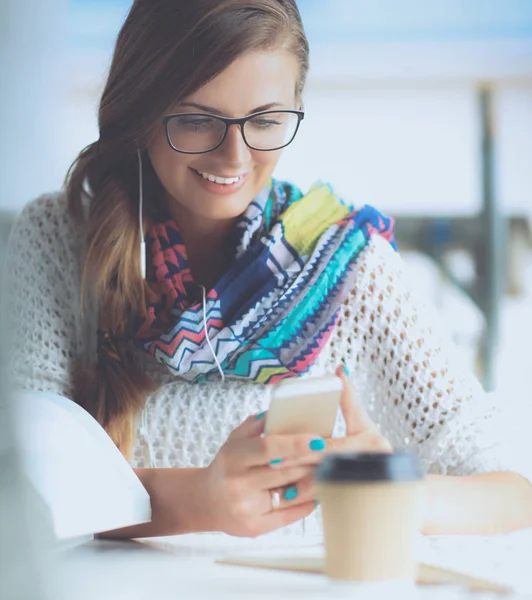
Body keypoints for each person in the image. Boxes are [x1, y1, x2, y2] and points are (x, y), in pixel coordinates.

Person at [4, 0, 532, 540]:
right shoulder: (58, 237)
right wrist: (194, 502)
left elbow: (513, 488)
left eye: (265, 120)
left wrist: (399, 493)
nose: (234, 156)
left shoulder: (349, 267)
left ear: (295, 107)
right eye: (196, 120)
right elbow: (16, 480)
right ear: (140, 113)